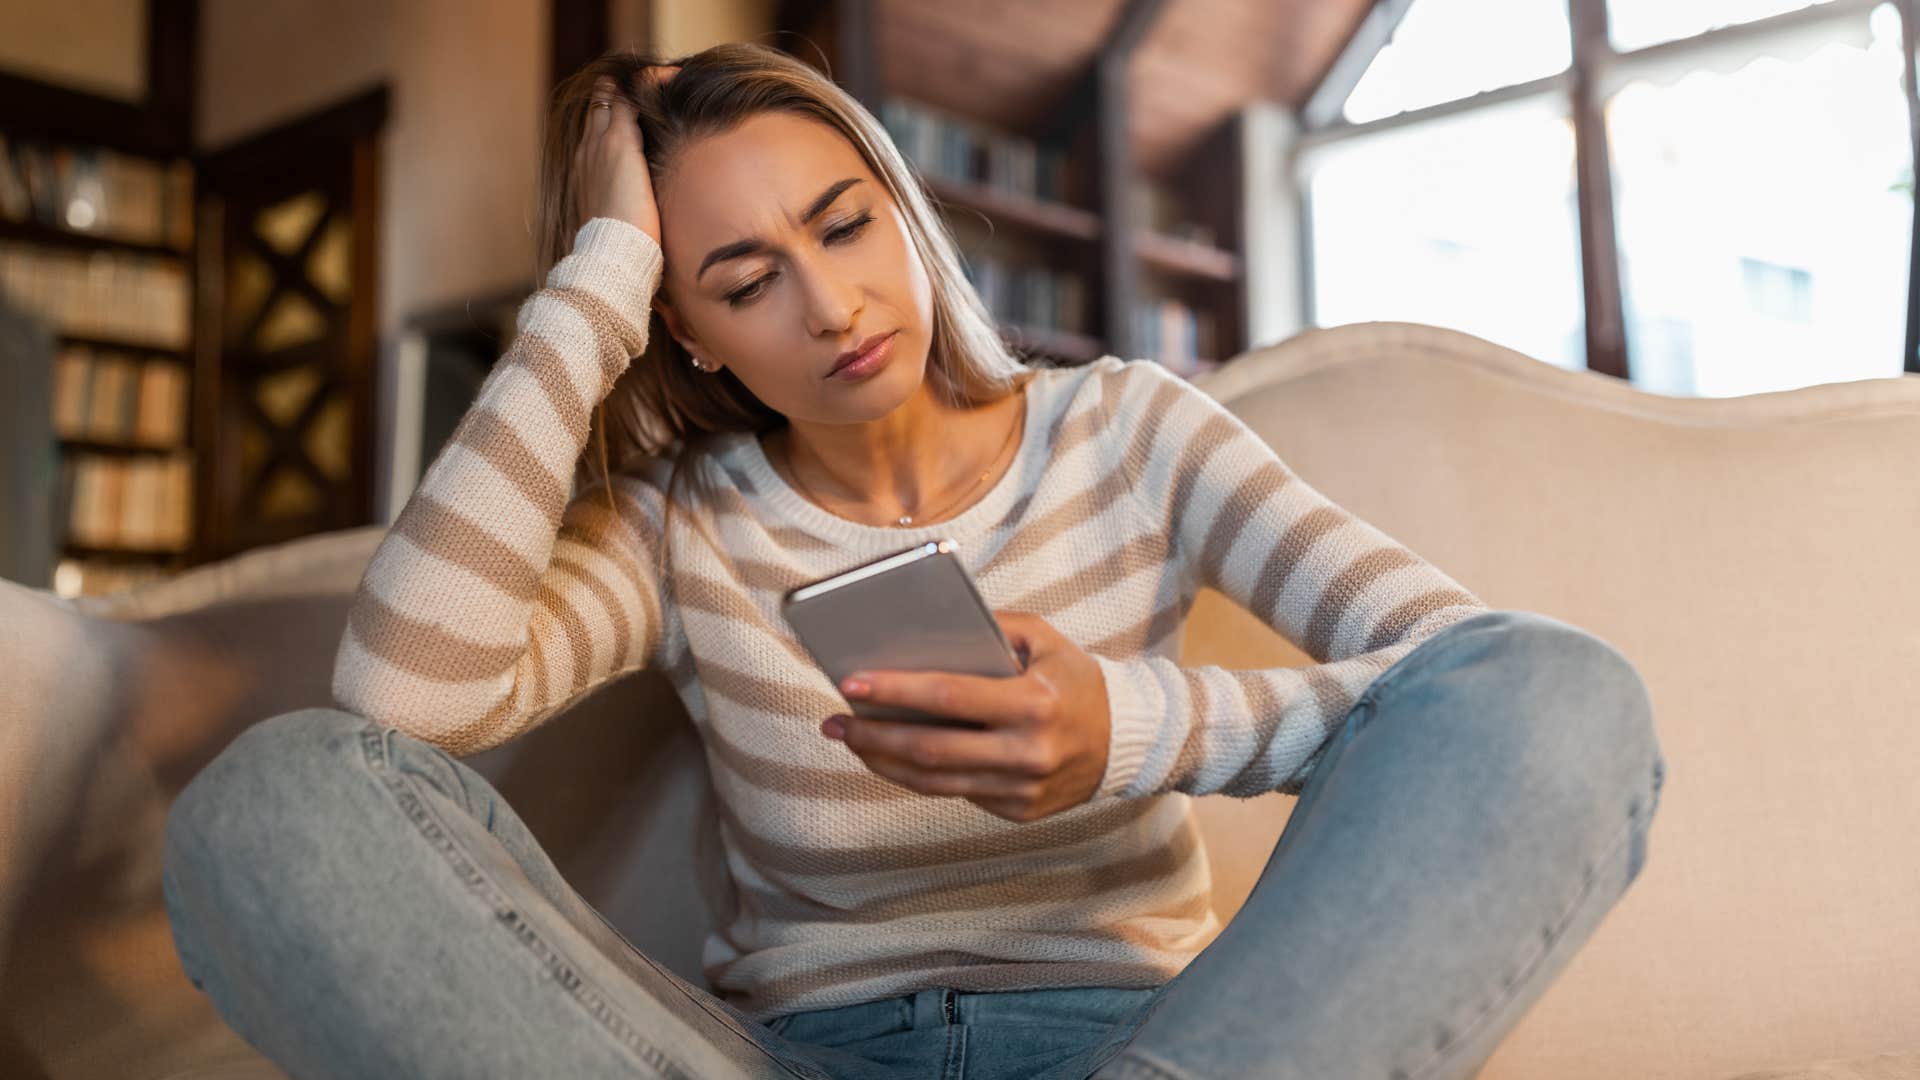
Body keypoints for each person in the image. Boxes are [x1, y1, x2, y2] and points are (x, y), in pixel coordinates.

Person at [160, 41, 1667, 1080]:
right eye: (744, 282)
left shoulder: (1129, 432)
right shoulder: (686, 524)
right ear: (687, 331)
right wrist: (599, 278)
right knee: (279, 795)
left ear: (902, 208)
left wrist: (1125, 732)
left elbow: (1467, 690)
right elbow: (406, 700)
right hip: (783, 1056)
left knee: (1568, 691)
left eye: (843, 226)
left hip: (1151, 1044)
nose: (830, 306)